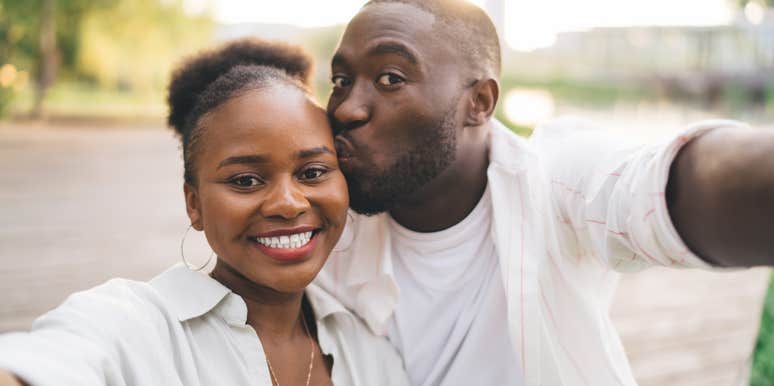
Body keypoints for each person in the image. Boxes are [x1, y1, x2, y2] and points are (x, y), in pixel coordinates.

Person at [313, 1, 774, 385]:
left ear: (480, 103)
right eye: (340, 81)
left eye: (391, 78)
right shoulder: (321, 225)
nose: (347, 108)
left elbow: (655, 186)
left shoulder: (551, 180)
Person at [0, 38, 409, 386]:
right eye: (246, 180)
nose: (288, 202)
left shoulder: (372, 357)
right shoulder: (135, 326)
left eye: (313, 172)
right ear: (193, 203)